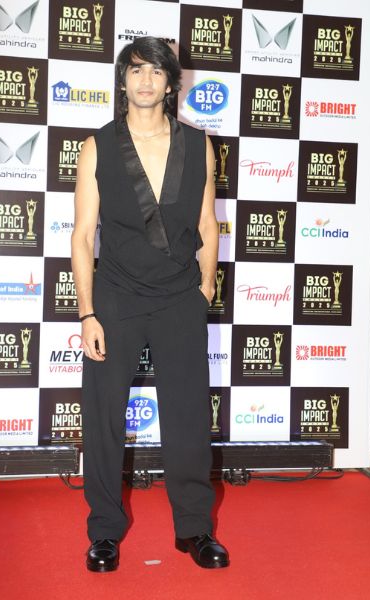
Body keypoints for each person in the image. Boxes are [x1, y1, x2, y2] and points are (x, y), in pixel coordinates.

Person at [71, 36, 229, 572]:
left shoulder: (197, 145)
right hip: (115, 296)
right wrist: (87, 312)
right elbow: (82, 235)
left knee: (188, 416)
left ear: (170, 83)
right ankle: (104, 531)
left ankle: (195, 529)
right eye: (136, 70)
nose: (145, 80)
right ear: (123, 80)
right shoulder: (97, 146)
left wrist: (204, 288)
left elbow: (207, 223)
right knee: (104, 419)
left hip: (180, 298)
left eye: (156, 72)